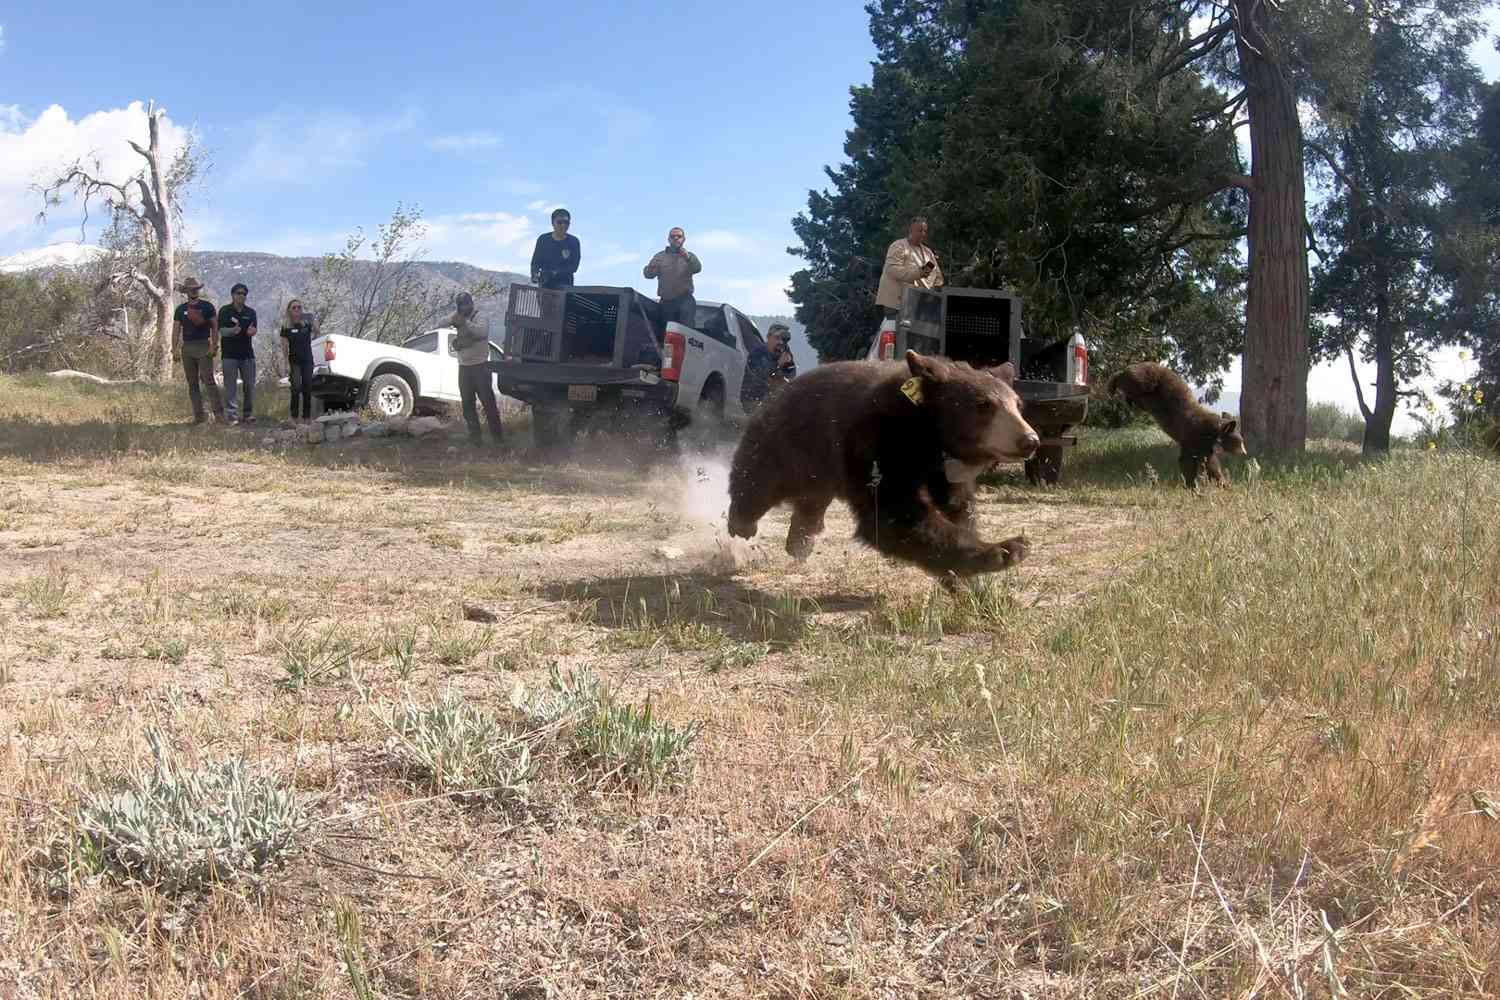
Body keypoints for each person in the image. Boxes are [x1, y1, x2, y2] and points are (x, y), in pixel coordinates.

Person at [448, 291, 503, 448]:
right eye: (460, 305)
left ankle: (498, 439)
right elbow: (443, 323)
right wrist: (452, 322)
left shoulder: (480, 316)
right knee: (467, 404)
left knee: (488, 404)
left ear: (471, 304)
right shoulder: (458, 316)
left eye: (465, 304)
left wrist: (465, 321)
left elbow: (482, 332)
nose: (463, 308)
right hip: (464, 367)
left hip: (480, 366)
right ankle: (475, 440)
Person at [173, 277, 223, 424]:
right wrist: (174, 349)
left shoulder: (207, 306)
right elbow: (176, 330)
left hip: (203, 345)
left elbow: (215, 327)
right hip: (187, 346)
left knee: (208, 379)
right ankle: (199, 416)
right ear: (186, 291)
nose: (193, 291)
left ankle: (218, 414)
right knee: (192, 383)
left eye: (195, 288)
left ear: (198, 290)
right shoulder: (180, 309)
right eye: (191, 289)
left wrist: (214, 345)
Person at [876, 216, 944, 319]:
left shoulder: (928, 252)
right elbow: (893, 270)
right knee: (898, 333)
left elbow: (937, 276)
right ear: (910, 230)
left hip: (920, 306)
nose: (923, 234)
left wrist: (934, 291)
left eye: (925, 231)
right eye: (920, 230)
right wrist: (919, 273)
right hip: (897, 304)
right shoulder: (898, 246)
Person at [643, 227, 702, 328]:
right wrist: (650, 267)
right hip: (666, 303)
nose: (675, 238)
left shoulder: (689, 256)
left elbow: (697, 268)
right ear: (668, 239)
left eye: (679, 236)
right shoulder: (660, 256)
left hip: (685, 300)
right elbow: (648, 275)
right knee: (666, 334)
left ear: (683, 239)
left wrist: (688, 257)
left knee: (686, 332)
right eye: (672, 236)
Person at [218, 282, 258, 424]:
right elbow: (221, 330)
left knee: (249, 386)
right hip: (229, 355)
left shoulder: (251, 312)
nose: (242, 296)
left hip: (247, 355)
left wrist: (251, 332)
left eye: (244, 294)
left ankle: (248, 414)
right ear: (233, 295)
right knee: (231, 387)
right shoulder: (225, 311)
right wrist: (232, 331)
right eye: (239, 293)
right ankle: (232, 416)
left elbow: (253, 329)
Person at [743, 322, 797, 409]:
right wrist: (778, 365)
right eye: (777, 338)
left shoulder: (784, 353)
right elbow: (759, 376)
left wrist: (788, 364)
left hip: (773, 401)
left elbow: (791, 376)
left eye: (783, 339)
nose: (780, 342)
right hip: (752, 400)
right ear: (768, 337)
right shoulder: (758, 353)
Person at [279, 299, 317, 421]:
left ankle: (307, 417)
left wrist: (313, 320)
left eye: (299, 307)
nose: (297, 310)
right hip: (294, 361)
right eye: (294, 307)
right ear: (289, 310)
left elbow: (317, 331)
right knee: (295, 387)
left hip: (307, 360)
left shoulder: (307, 322)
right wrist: (286, 363)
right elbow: (284, 346)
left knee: (307, 387)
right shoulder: (286, 326)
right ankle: (294, 416)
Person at [530, 208, 581, 289]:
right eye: (559, 222)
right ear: (552, 223)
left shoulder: (574, 242)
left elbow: (574, 266)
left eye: (566, 223)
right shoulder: (543, 239)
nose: (563, 225)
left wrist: (555, 272)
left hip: (565, 286)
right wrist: (534, 274)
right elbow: (535, 262)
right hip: (545, 286)